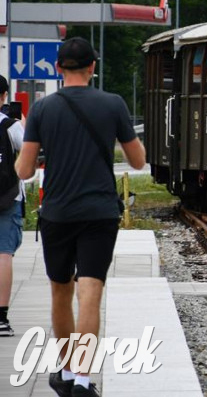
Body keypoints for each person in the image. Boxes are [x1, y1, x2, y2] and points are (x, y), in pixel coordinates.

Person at [15, 37, 146, 397]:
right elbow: (138, 161)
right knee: (90, 292)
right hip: (99, 214)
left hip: (57, 213)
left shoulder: (42, 109)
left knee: (60, 291)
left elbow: (24, 170)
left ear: (58, 68)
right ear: (92, 67)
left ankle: (67, 372)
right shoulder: (113, 104)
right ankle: (84, 382)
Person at [0, 75, 25, 338]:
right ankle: (1, 318)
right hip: (6, 198)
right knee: (3, 255)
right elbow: (29, 152)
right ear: (4, 96)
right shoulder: (10, 125)